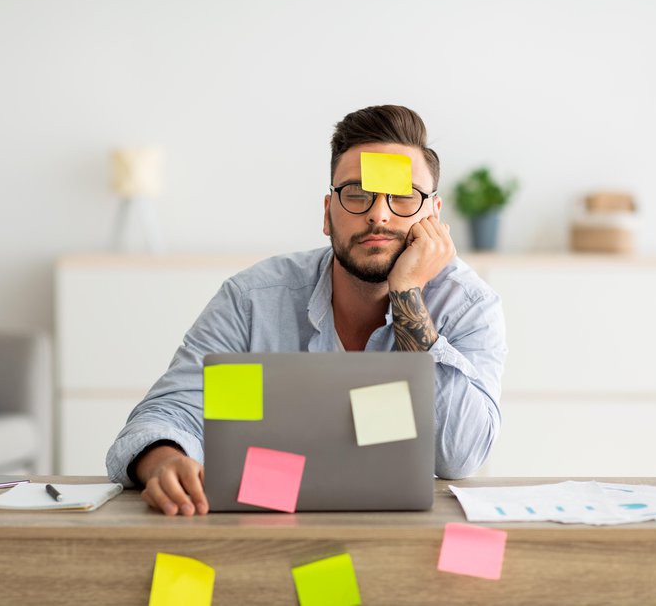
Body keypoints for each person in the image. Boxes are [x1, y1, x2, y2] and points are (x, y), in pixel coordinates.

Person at [107, 105, 507, 516]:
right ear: (327, 214)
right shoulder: (253, 300)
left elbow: (459, 456)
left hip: (406, 542)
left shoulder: (468, 305)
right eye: (356, 194)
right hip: (268, 530)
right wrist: (166, 462)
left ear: (434, 217)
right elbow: (169, 412)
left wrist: (407, 295)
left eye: (404, 197)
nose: (379, 214)